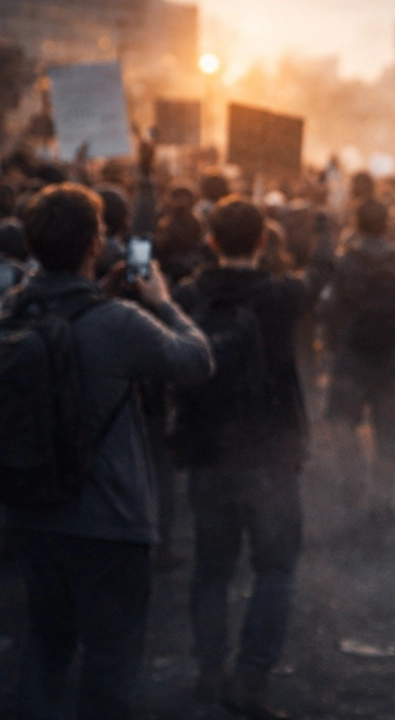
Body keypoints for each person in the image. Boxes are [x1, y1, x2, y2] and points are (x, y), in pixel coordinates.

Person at [4, 183, 213, 720]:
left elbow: (62, 320)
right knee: (109, 665)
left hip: (31, 513)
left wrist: (96, 289)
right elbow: (194, 360)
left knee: (45, 647)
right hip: (111, 524)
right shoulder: (119, 322)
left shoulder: (13, 312)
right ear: (96, 243)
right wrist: (162, 301)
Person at [173, 196, 333, 720]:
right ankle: (251, 681)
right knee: (275, 570)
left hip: (205, 453)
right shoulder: (280, 295)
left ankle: (208, 670)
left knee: (212, 569)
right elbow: (320, 270)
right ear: (262, 242)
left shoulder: (187, 295)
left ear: (212, 241)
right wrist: (326, 221)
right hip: (271, 454)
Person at [323, 196, 395, 523]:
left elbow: (329, 310)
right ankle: (381, 504)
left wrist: (333, 348)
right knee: (387, 437)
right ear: (387, 225)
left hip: (352, 356)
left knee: (343, 423)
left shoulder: (345, 262)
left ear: (356, 224)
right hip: (393, 359)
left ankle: (353, 480)